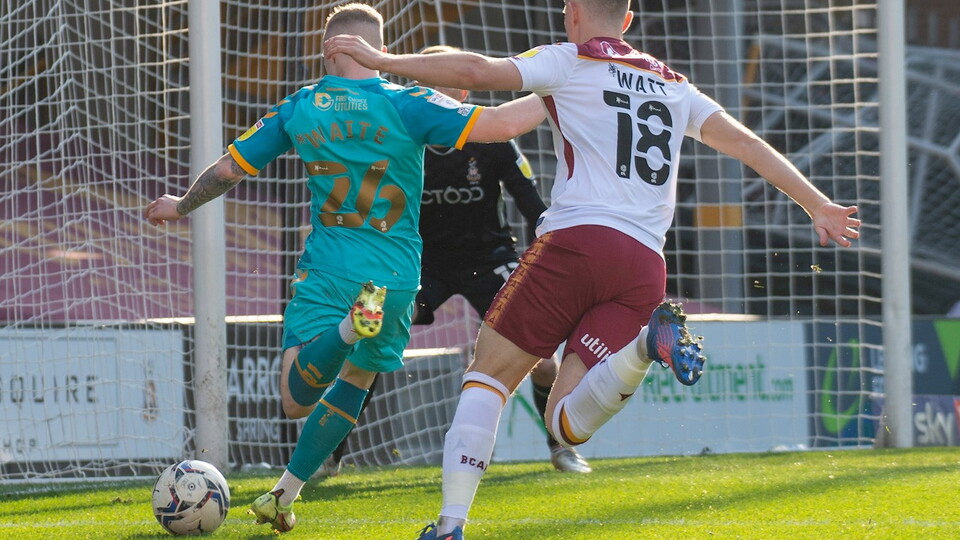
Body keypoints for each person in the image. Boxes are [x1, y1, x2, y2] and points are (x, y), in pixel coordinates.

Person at [324, 1, 862, 539]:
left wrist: (383, 60)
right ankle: (645, 347)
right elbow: (746, 143)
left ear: (572, 12)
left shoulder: (568, 60)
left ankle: (449, 526)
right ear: (627, 21)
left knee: (487, 378)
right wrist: (817, 204)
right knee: (566, 423)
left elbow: (475, 71)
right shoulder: (675, 85)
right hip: (644, 267)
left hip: (577, 244)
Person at [144, 3, 546, 534]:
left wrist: (181, 206)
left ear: (328, 49)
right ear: (376, 49)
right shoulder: (410, 102)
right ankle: (284, 495)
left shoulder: (300, 106)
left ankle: (345, 330)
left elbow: (227, 171)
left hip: (331, 270)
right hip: (396, 280)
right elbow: (503, 123)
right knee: (357, 377)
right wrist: (564, 84)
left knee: (296, 399)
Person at [321, 45, 591, 477]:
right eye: (426, 84)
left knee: (541, 359)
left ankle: (560, 448)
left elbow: (532, 205)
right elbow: (366, 208)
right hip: (414, 262)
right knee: (366, 335)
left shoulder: (493, 138)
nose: (434, 94)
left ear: (464, 94)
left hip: (490, 258)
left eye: (445, 83)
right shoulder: (397, 139)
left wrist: (557, 253)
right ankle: (328, 454)